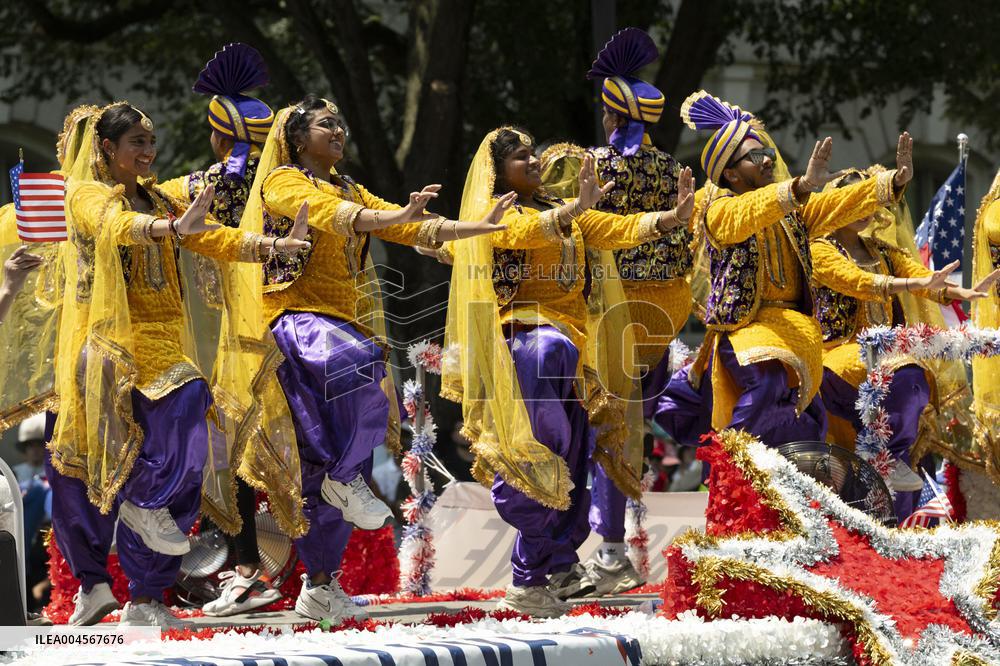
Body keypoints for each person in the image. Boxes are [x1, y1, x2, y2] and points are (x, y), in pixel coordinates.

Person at [240, 95, 509, 624]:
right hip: (296, 321)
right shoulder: (282, 182)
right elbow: (337, 217)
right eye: (326, 124)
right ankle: (342, 485)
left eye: (341, 122)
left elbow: (407, 226)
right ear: (298, 138)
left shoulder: (349, 186)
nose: (339, 130)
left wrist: (473, 229)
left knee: (336, 464)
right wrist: (391, 215)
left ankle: (321, 586)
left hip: (340, 328)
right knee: (363, 367)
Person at [57, 101, 307, 627]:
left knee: (191, 463)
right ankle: (100, 573)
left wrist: (271, 245)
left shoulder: (162, 198)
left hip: (165, 345)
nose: (148, 151)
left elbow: (210, 235)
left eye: (151, 142)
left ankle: (146, 598)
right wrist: (163, 229)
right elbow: (112, 223)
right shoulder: (87, 193)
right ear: (107, 147)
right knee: (96, 468)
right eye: (137, 143)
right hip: (112, 345)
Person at [443, 126, 693, 617]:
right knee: (542, 456)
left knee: (574, 460)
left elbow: (617, 229)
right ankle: (528, 578)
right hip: (528, 344)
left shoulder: (562, 213)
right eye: (521, 156)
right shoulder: (497, 213)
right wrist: (573, 209)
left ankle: (555, 567)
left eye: (533, 153)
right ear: (499, 171)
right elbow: (522, 234)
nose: (533, 161)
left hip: (570, 355)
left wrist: (671, 218)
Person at [656, 90, 913, 452]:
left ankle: (786, 481)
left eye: (767, 153)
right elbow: (748, 212)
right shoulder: (720, 210)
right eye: (754, 156)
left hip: (796, 333)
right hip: (748, 332)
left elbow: (835, 203)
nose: (766, 160)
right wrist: (801, 186)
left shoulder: (792, 212)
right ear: (730, 172)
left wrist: (891, 183)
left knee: (810, 423)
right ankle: (731, 464)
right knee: (767, 384)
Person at [159, 42, 282, 617]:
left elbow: (147, 205)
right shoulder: (289, 182)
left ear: (218, 137)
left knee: (232, 454)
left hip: (231, 339)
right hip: (291, 323)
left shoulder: (203, 185)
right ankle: (308, 573)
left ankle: (247, 570)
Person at [575, 26, 693, 598]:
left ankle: (607, 552)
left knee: (599, 428)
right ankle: (610, 548)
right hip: (663, 314)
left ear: (612, 117)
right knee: (631, 428)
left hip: (611, 313)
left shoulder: (594, 166)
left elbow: (575, 232)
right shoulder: (672, 169)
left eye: (605, 112)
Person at [813, 168, 998, 514]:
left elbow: (921, 276)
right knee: (906, 373)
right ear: (837, 202)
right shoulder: (820, 250)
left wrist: (962, 292)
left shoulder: (881, 251)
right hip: (836, 360)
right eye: (857, 200)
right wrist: (911, 285)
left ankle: (890, 491)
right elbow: (856, 281)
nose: (866, 208)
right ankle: (889, 464)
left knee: (915, 387)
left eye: (871, 200)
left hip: (884, 357)